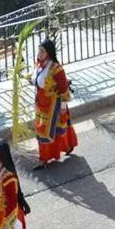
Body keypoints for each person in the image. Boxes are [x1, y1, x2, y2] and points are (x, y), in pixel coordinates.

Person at [30, 39, 77, 168]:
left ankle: (43, 158)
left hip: (53, 106)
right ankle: (65, 147)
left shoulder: (56, 69)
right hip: (41, 104)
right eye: (39, 50)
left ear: (49, 53)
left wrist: (62, 106)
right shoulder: (38, 65)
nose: (39, 53)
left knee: (47, 130)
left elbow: (63, 89)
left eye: (42, 51)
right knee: (52, 129)